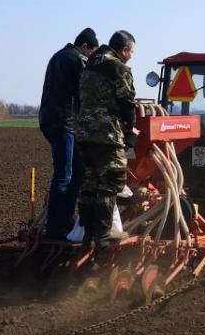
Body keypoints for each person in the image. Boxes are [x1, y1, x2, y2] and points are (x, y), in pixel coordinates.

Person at [75, 30, 137, 247]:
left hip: (84, 132)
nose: (131, 56)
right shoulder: (118, 68)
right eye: (131, 52)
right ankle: (103, 233)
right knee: (112, 179)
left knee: (90, 182)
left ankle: (87, 233)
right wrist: (130, 132)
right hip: (106, 133)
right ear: (124, 50)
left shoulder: (89, 64)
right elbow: (127, 103)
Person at [38, 28, 99, 238]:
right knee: (65, 175)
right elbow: (89, 91)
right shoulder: (76, 59)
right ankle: (56, 228)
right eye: (92, 52)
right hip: (65, 122)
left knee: (76, 174)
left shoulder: (57, 57)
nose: (90, 57)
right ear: (84, 47)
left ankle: (65, 220)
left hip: (50, 120)